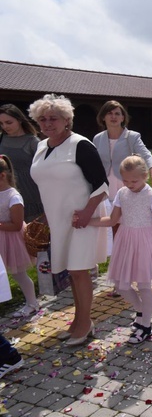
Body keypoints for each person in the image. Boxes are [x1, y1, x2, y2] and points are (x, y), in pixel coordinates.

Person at [29, 94, 108, 346]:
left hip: (81, 217)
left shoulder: (80, 145)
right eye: (42, 119)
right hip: (58, 219)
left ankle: (84, 324)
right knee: (72, 272)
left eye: (53, 118)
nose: (47, 123)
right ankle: (78, 321)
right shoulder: (42, 147)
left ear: (67, 120)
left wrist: (87, 212)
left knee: (78, 270)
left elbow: (102, 184)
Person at [85, 156, 152, 344]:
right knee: (121, 285)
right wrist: (89, 221)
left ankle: (145, 325)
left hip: (145, 242)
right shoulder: (122, 193)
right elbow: (113, 220)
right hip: (126, 241)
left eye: (134, 181)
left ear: (145, 176)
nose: (129, 184)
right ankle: (141, 310)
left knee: (144, 285)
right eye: (126, 180)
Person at [93, 101, 152, 199]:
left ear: (122, 118)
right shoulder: (97, 138)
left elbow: (146, 155)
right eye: (109, 113)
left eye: (117, 114)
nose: (113, 117)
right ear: (103, 117)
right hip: (104, 188)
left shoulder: (132, 137)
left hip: (127, 185)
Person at [0, 155, 39, 318]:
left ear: (2, 175)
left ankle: (32, 303)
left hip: (12, 239)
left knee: (19, 273)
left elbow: (16, 225)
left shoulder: (13, 196)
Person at [0, 104, 44, 221]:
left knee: (31, 235)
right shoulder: (1, 139)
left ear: (19, 120)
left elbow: (44, 169)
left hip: (30, 193)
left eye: (9, 122)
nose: (5, 126)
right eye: (1, 123)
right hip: (5, 193)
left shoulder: (33, 142)